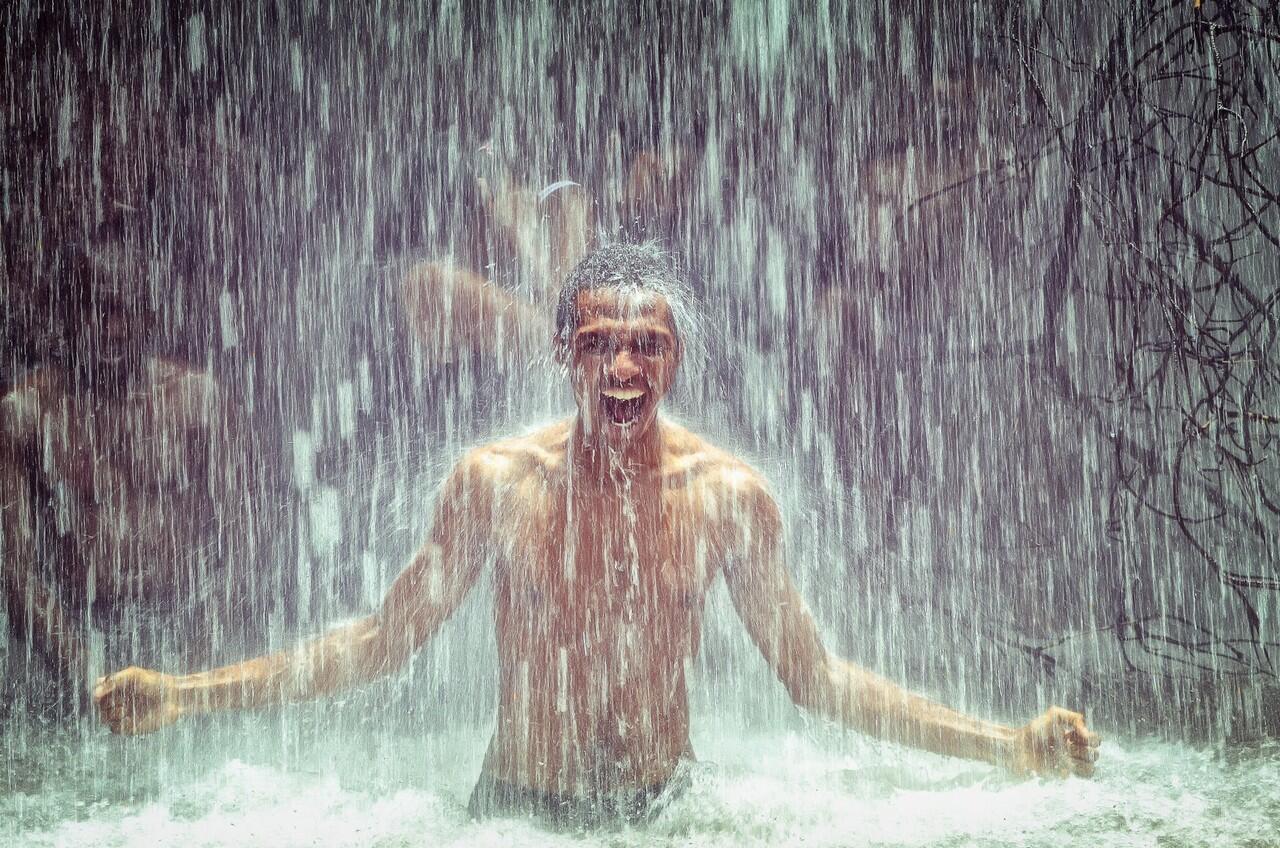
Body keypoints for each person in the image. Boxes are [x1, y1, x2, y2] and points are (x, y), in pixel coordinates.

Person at [94, 243, 1100, 827]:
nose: (621, 366)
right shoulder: (494, 482)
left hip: (667, 815)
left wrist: (1001, 742)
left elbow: (819, 676)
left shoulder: (726, 496)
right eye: (596, 343)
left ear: (676, 359)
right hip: (514, 819)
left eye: (645, 345)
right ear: (562, 355)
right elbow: (374, 642)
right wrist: (188, 692)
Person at [1, 239, 262, 710]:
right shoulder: (27, 415)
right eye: (97, 309)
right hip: (74, 630)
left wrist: (182, 680)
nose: (114, 328)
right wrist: (90, 678)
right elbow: (14, 570)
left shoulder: (198, 402)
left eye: (128, 310)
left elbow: (245, 548)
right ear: (65, 316)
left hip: (184, 623)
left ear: (152, 315)